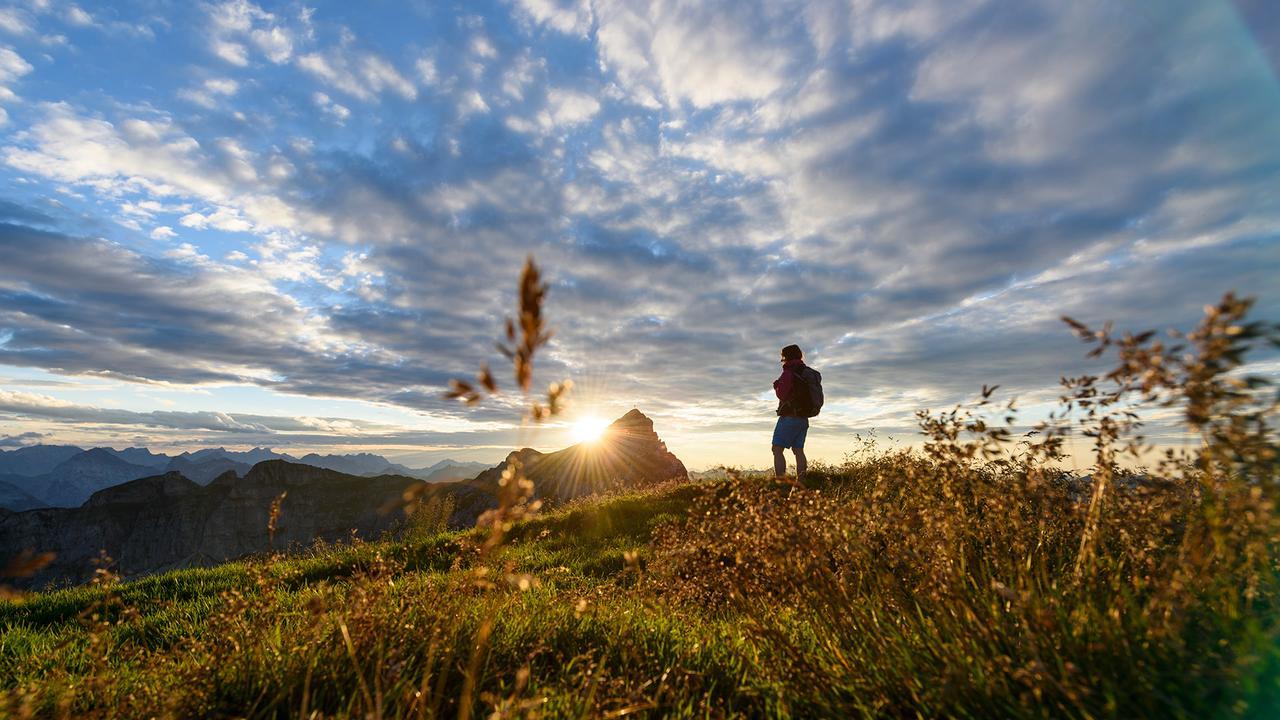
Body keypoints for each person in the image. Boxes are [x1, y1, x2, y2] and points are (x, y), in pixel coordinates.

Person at [772, 344, 821, 481]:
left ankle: (780, 481)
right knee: (798, 450)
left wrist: (777, 386)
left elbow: (782, 394)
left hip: (789, 417)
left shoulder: (789, 372)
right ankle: (802, 481)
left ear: (786, 357)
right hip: (803, 418)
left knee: (777, 449)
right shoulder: (806, 372)